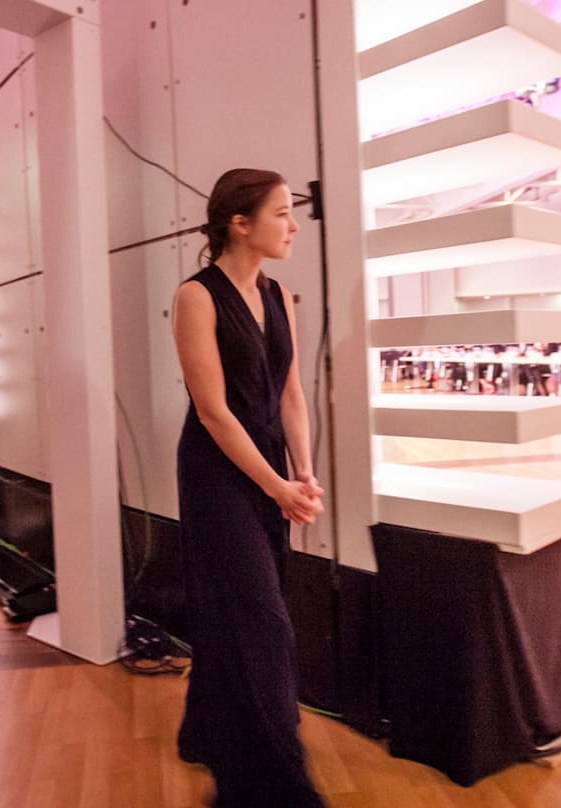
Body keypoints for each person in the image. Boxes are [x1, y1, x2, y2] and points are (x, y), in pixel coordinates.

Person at [171, 168, 327, 808]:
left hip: (266, 471)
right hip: (217, 475)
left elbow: (290, 394)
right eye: (282, 213)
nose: (294, 226)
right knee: (264, 626)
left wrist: (304, 472)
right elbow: (213, 412)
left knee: (232, 611)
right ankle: (275, 786)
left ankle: (205, 731)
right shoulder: (196, 297)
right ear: (240, 223)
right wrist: (277, 486)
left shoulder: (280, 295)